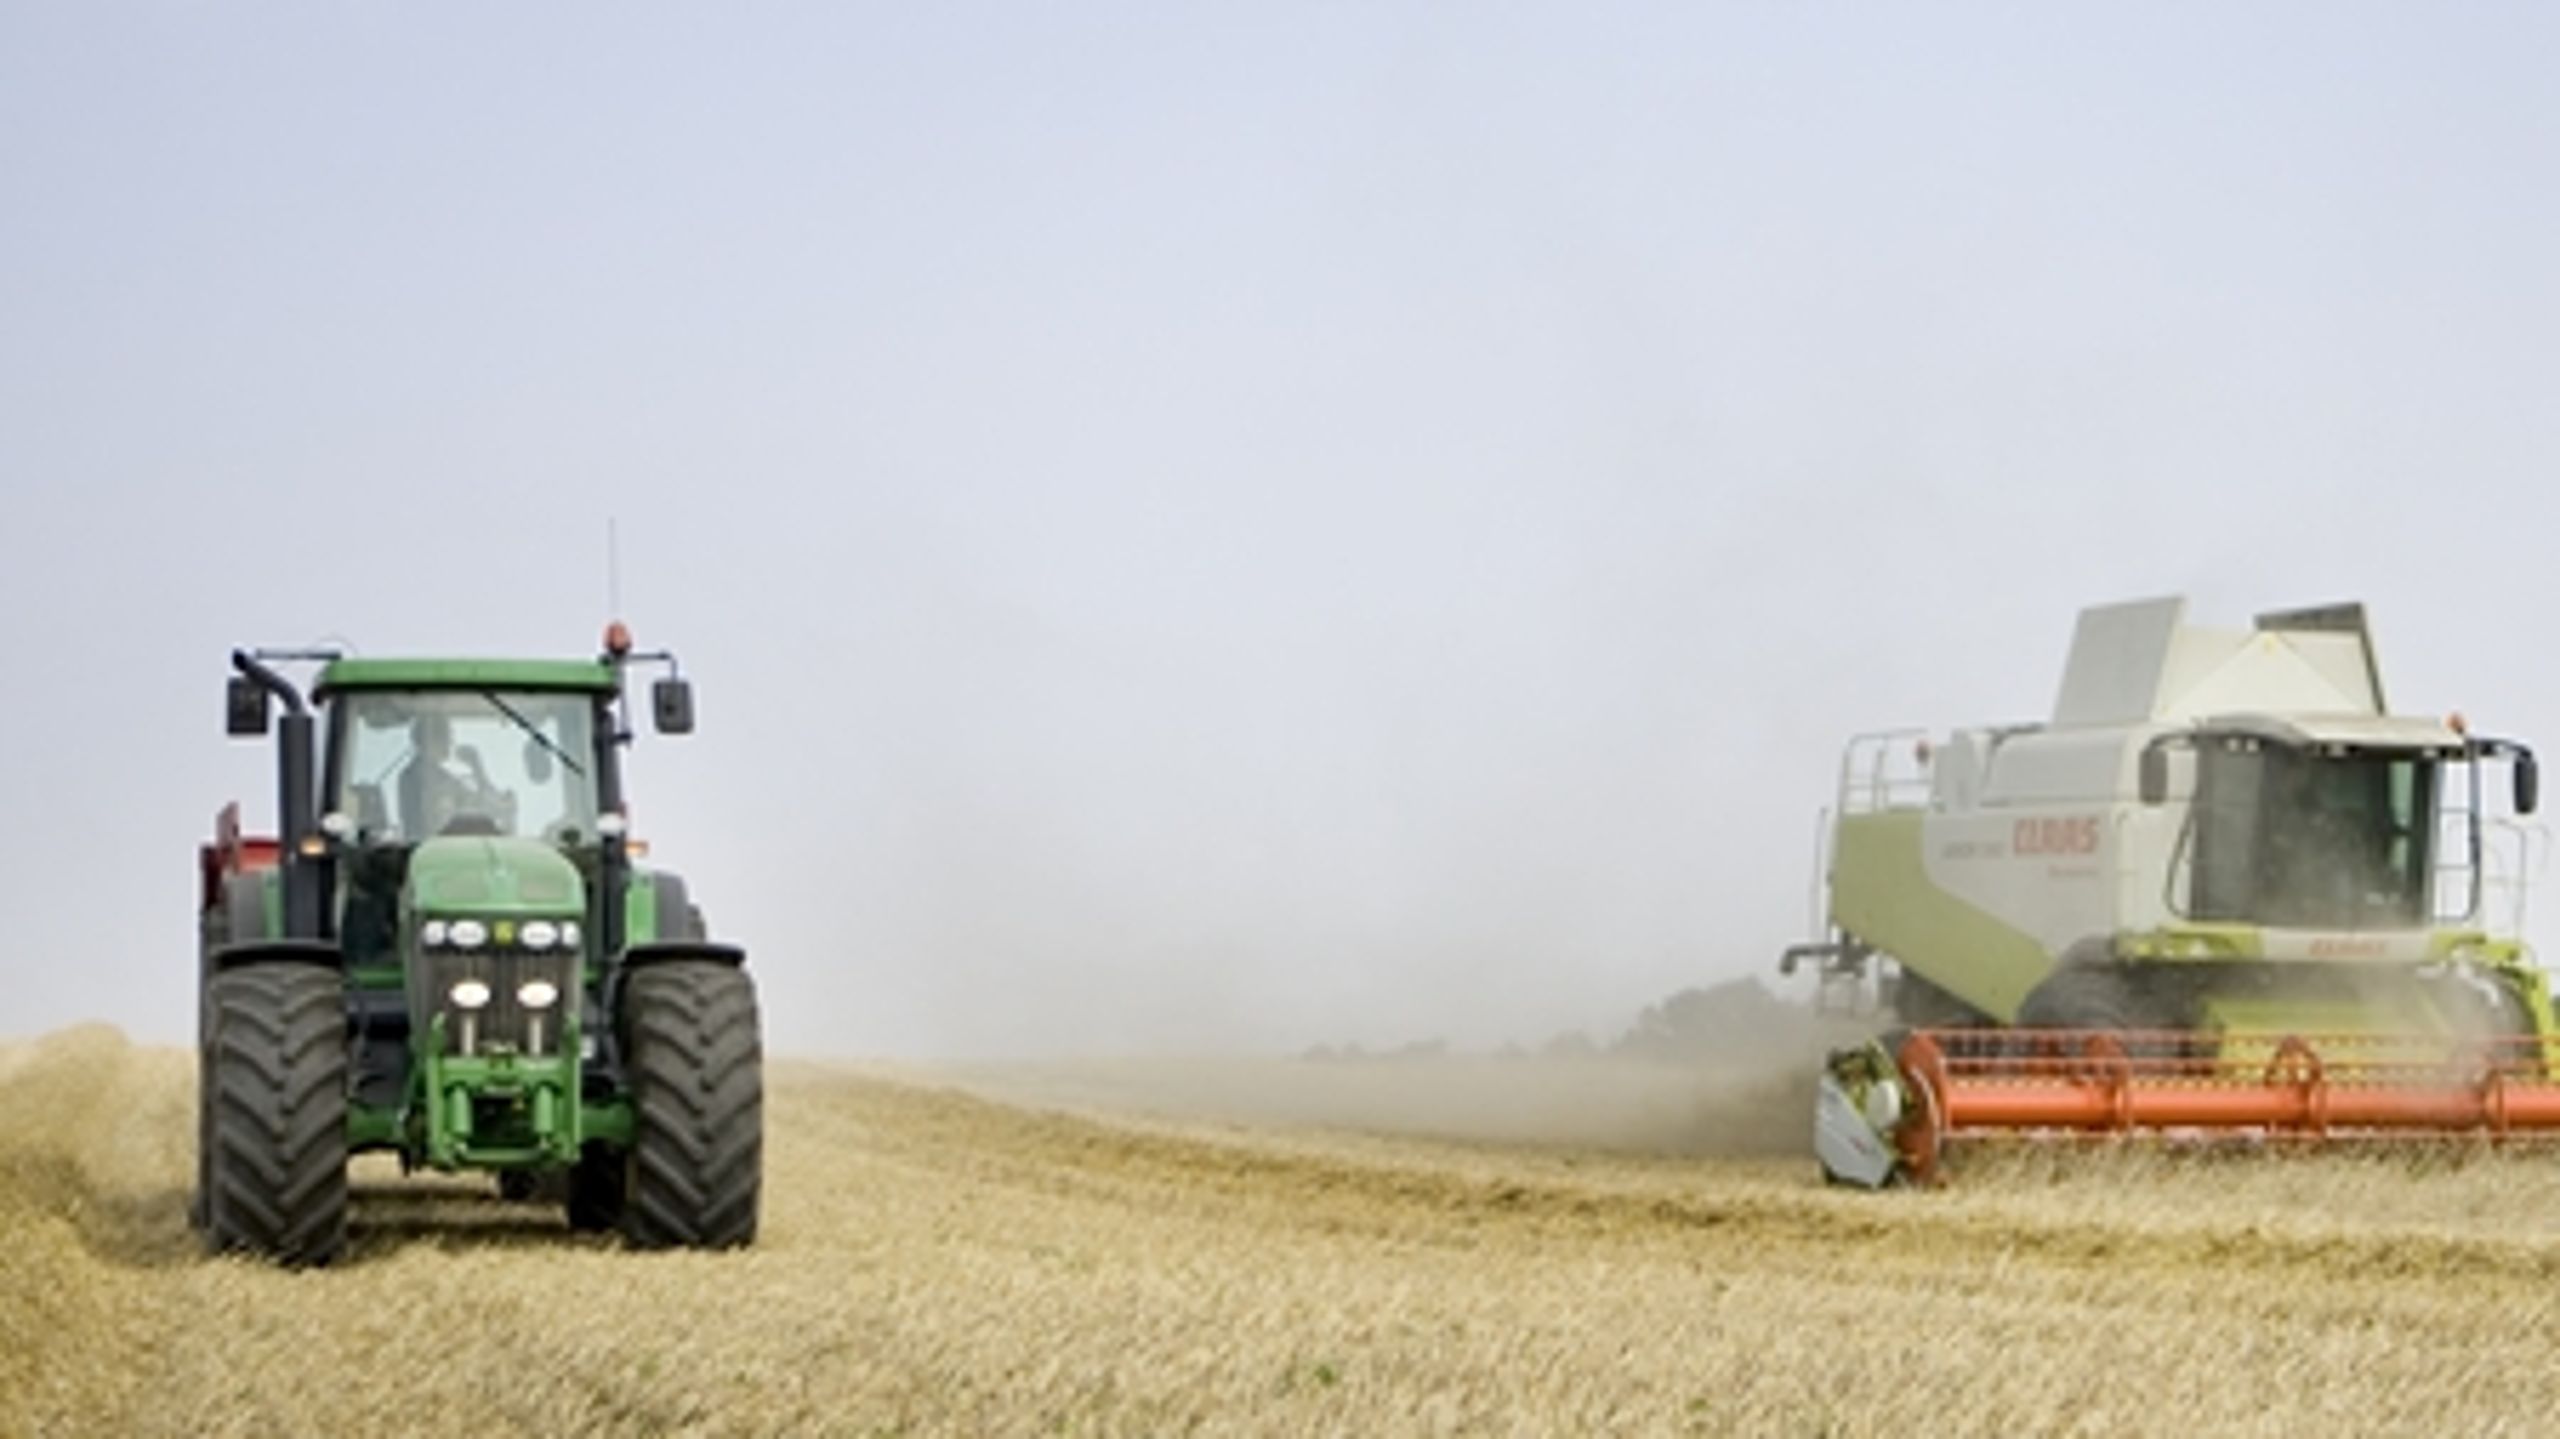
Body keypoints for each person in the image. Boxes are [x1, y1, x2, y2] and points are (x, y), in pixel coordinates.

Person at [398, 714, 496, 837]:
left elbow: (485, 807)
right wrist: (477, 767)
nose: (451, 743)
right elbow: (484, 805)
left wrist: (477, 768)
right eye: (448, 737)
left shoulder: (443, 778)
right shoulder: (414, 778)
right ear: (430, 739)